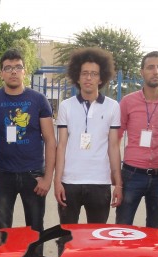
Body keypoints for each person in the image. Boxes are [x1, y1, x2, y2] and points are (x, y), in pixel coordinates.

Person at [0, 49, 56, 233]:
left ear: (24, 71)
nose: (13, 71)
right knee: (4, 231)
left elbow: (50, 141)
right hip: (2, 175)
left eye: (18, 67)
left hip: (33, 174)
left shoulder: (39, 100)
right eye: (8, 68)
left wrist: (47, 179)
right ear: (1, 73)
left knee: (35, 230)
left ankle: (34, 254)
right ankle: (6, 255)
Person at [54, 47, 122, 224]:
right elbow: (61, 145)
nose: (89, 78)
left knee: (96, 236)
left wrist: (118, 184)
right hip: (70, 182)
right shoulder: (66, 106)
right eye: (84, 73)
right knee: (67, 235)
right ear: (77, 77)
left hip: (100, 181)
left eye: (94, 74)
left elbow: (114, 146)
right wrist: (57, 180)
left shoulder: (113, 107)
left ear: (101, 78)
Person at [116, 51, 158, 228]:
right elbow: (115, 139)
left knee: (157, 231)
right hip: (132, 175)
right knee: (122, 229)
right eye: (150, 67)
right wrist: (116, 177)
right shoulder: (128, 102)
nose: (156, 71)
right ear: (142, 72)